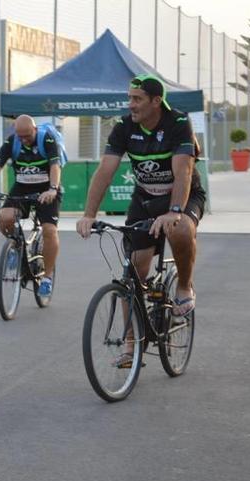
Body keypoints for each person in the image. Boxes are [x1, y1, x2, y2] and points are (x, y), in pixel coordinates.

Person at [76, 74, 205, 367]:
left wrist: (174, 210)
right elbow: (105, 171)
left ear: (156, 101)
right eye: (129, 98)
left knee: (181, 228)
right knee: (133, 272)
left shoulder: (178, 123)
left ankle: (184, 286)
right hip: (145, 199)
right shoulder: (124, 126)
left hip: (182, 196)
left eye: (137, 99)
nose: (130, 104)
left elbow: (184, 171)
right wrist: (89, 215)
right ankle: (133, 343)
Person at [0, 114, 63, 298]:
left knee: (50, 230)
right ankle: (16, 249)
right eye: (20, 136)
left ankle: (47, 278)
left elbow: (55, 166)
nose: (24, 140)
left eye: (27, 135)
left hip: (46, 188)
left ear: (35, 129)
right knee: (5, 217)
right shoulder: (13, 142)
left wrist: (52, 189)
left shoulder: (46, 139)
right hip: (22, 186)